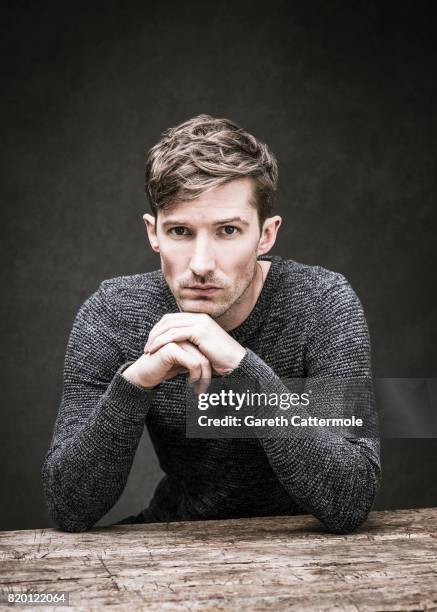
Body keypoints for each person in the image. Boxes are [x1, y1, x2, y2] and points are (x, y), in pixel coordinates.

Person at [41, 114, 381, 533]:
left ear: (265, 235)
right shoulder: (113, 315)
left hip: (308, 545)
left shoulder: (321, 303)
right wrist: (136, 382)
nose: (201, 265)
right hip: (176, 542)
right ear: (154, 233)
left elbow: (350, 499)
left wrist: (243, 367)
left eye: (228, 231)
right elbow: (69, 508)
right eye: (181, 231)